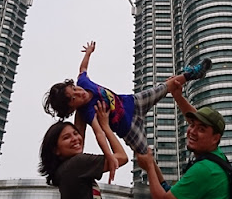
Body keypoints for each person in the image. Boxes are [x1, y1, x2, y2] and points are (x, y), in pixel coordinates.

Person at [43, 41, 212, 182]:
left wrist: (88, 53)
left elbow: (83, 68)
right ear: (72, 108)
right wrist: (109, 155)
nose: (79, 93)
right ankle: (163, 184)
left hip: (133, 103)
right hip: (129, 128)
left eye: (74, 89)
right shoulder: (87, 111)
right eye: (74, 98)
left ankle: (191, 74)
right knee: (145, 156)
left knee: (164, 87)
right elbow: (99, 134)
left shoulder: (83, 82)